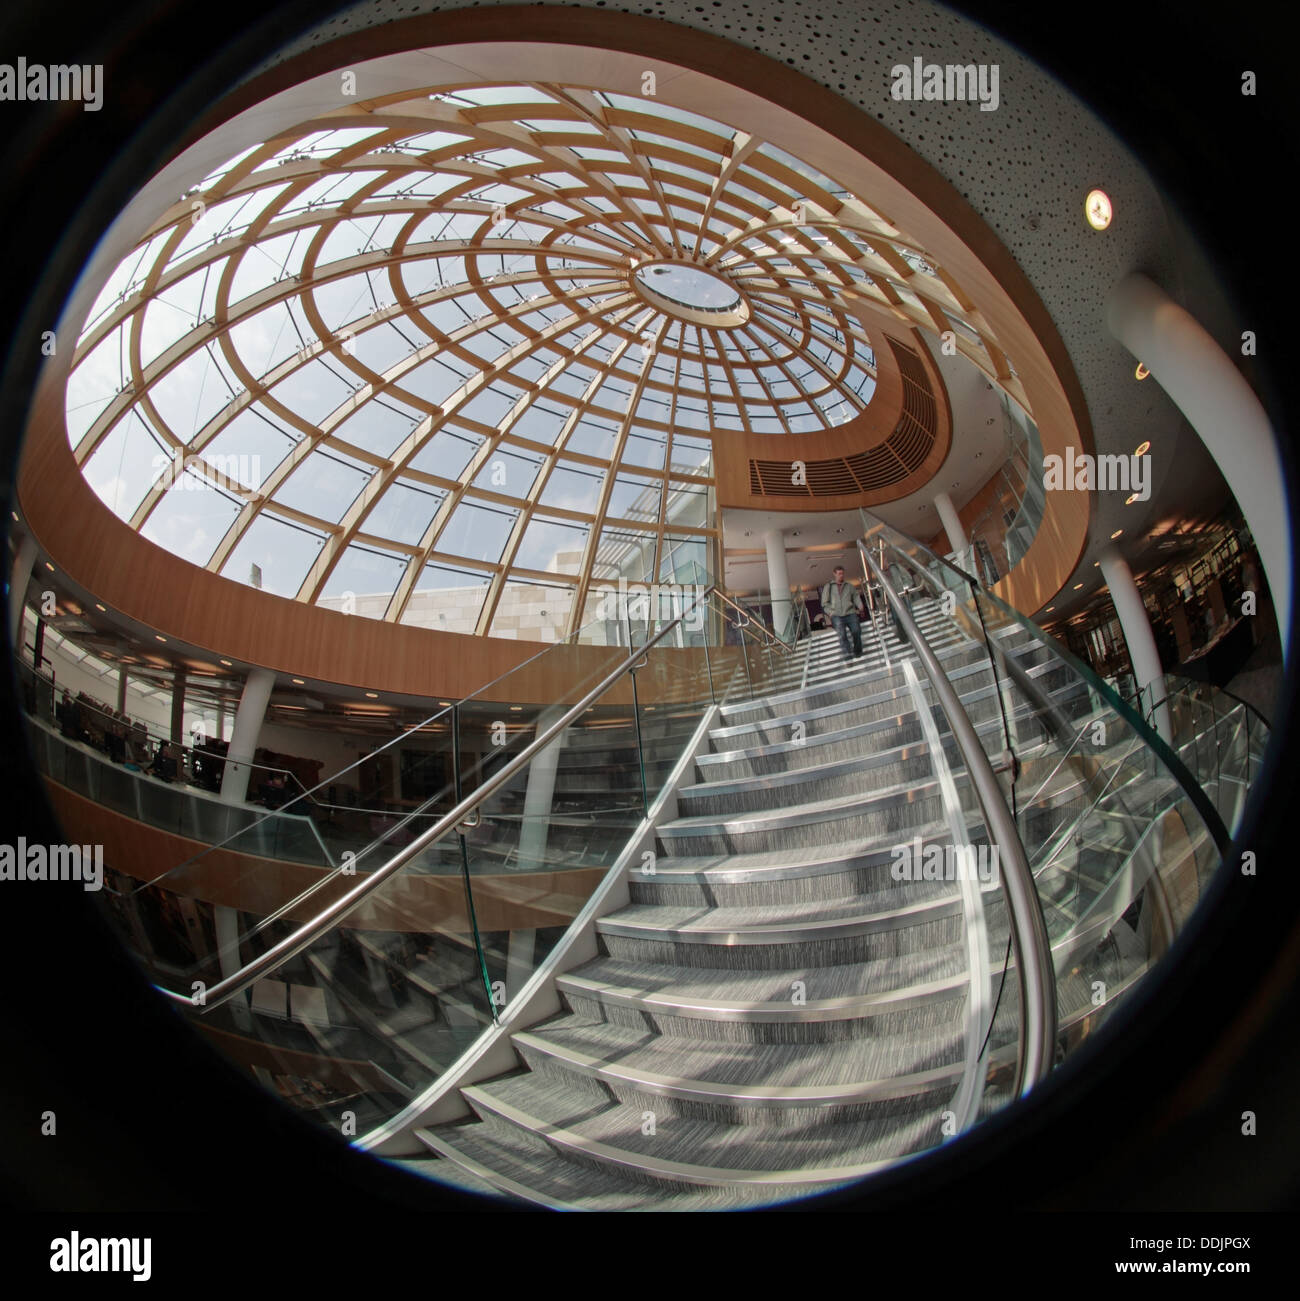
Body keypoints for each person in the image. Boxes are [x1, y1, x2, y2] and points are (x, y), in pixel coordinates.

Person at [820, 565, 865, 662]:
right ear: (834, 574)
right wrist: (830, 612)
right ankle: (847, 653)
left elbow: (856, 597)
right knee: (842, 634)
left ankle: (858, 651)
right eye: (839, 574)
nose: (841, 575)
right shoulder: (828, 587)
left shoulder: (849, 586)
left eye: (842, 573)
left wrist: (860, 606)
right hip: (836, 615)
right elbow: (824, 603)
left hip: (850, 613)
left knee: (856, 631)